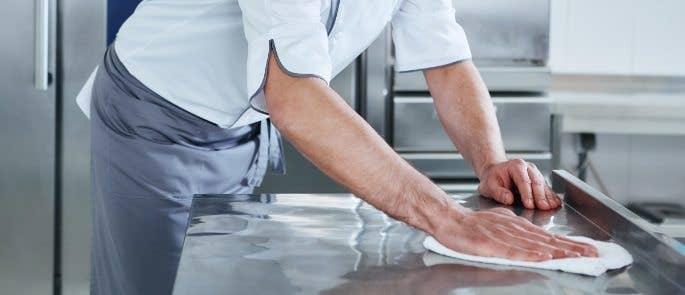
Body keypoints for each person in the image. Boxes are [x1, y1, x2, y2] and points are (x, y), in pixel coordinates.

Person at [76, 0, 598, 294]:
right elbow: (295, 97)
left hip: (243, 121)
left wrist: (490, 160)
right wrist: (448, 218)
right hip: (155, 116)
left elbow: (447, 58)